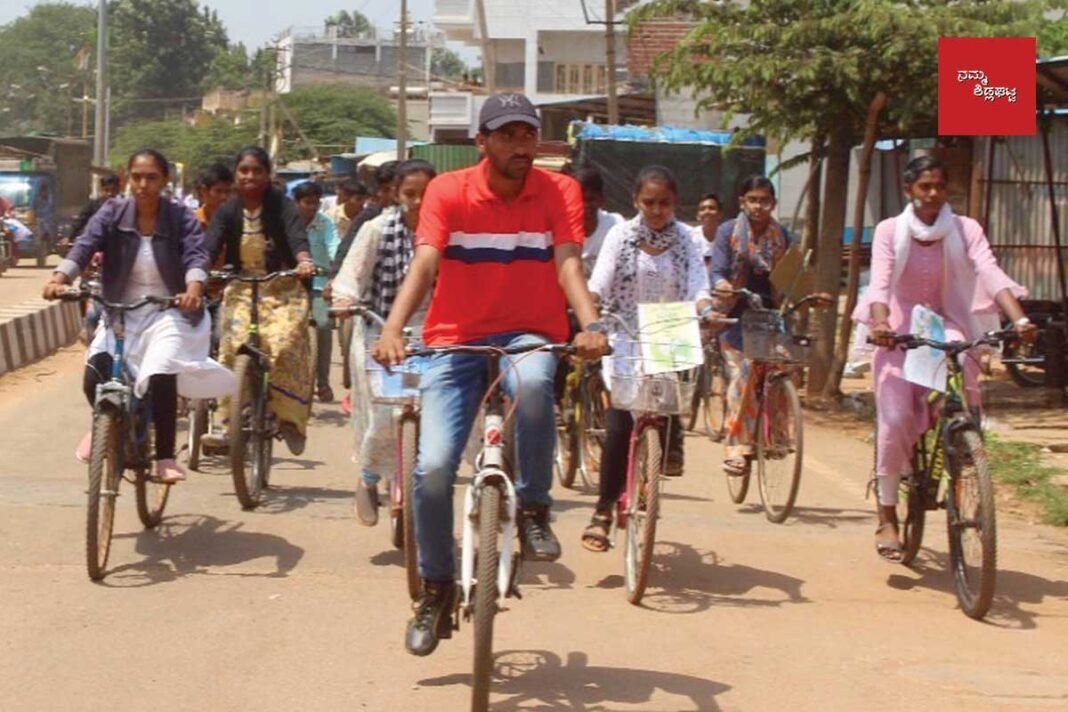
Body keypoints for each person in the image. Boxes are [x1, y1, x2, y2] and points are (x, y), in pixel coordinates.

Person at [372, 93, 608, 657]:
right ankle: (434, 588)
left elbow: (569, 262)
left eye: (527, 134)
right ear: (481, 142)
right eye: (506, 135)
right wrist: (394, 327)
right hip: (454, 340)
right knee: (431, 470)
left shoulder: (560, 191)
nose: (520, 145)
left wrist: (590, 323)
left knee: (533, 389)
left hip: (530, 332)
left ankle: (533, 508)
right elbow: (425, 263)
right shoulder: (447, 192)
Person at [853, 155, 1035, 561]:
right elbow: (879, 282)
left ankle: (965, 466)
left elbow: (989, 270)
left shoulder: (965, 228)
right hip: (897, 329)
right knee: (896, 417)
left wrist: (1019, 319)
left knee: (963, 393)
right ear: (908, 191)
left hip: (946, 324)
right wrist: (880, 325)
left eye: (939, 186)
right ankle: (887, 514)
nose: (933, 194)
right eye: (924, 187)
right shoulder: (889, 230)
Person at [42, 149, 234, 483]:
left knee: (161, 373)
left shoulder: (179, 217)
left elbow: (196, 255)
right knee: (93, 376)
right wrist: (60, 278)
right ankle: (104, 424)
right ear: (127, 178)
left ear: (165, 180)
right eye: (136, 177)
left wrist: (193, 288)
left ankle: (164, 457)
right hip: (120, 308)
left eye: (151, 177)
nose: (143, 184)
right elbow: (85, 244)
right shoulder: (112, 211)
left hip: (169, 309)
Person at [580, 165, 712, 552]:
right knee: (621, 420)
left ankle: (670, 443)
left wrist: (704, 310)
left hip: (670, 329)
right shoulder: (620, 235)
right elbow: (599, 283)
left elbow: (697, 286)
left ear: (675, 203)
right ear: (637, 201)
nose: (657, 211)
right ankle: (603, 511)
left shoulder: (686, 238)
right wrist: (592, 317)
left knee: (676, 396)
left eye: (665, 203)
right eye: (649, 203)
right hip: (624, 331)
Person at [333, 159, 436, 525]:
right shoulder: (377, 230)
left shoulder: (446, 233)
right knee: (388, 411)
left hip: (434, 332)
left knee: (444, 412)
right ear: (395, 193)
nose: (418, 202)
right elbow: (352, 276)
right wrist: (345, 299)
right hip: (382, 329)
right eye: (410, 194)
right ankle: (369, 477)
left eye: (426, 194)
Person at [204, 146, 317, 456]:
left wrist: (304, 260)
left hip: (281, 287)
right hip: (241, 287)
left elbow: (297, 238)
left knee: (284, 345)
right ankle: (228, 421)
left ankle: (288, 418)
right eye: (244, 170)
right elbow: (209, 245)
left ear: (268, 175)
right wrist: (197, 270)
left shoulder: (283, 207)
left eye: (257, 170)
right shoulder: (228, 209)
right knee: (230, 347)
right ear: (236, 174)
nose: (249, 176)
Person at [709, 176, 796, 478]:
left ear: (773, 203)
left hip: (770, 316)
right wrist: (721, 286)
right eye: (753, 200)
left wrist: (811, 293)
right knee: (745, 374)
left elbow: (793, 276)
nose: (759, 206)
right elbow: (718, 270)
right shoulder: (728, 232)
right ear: (742, 202)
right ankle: (737, 448)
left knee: (786, 365)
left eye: (765, 200)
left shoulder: (783, 236)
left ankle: (778, 434)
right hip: (734, 314)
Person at [292, 180, 340, 403]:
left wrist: (335, 274)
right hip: (290, 286)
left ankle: (323, 382)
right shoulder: (288, 222)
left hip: (319, 286)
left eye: (315, 203)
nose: (312, 207)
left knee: (323, 326)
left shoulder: (325, 223)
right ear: (296, 202)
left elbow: (334, 248)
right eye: (307, 202)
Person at [328, 161, 400, 280]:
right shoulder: (370, 217)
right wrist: (334, 277)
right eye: (385, 190)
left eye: (395, 190)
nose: (390, 196)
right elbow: (347, 247)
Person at [574, 167, 623, 277]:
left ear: (601, 199)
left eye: (590, 199)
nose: (586, 205)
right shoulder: (562, 227)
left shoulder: (614, 225)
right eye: (580, 200)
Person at [68, 174, 121, 241]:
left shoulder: (123, 207)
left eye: (113, 190)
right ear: (102, 190)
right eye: (106, 190)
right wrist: (69, 237)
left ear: (118, 190)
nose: (109, 193)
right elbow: (80, 221)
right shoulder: (93, 205)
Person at [194, 164, 234, 231]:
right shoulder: (192, 222)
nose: (224, 197)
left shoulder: (236, 223)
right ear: (204, 191)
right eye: (218, 191)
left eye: (228, 191)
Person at [691, 192, 722, 265]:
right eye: (702, 209)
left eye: (711, 208)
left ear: (720, 214)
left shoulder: (727, 237)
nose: (707, 212)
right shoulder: (690, 237)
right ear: (698, 216)